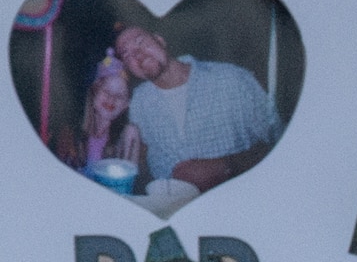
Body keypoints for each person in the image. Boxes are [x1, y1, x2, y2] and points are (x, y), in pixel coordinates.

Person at [116, 25, 284, 209]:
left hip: (238, 206)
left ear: (160, 40)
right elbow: (144, 156)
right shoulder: (139, 101)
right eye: (127, 54)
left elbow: (280, 146)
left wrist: (226, 167)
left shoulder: (232, 79)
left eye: (140, 42)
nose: (138, 55)